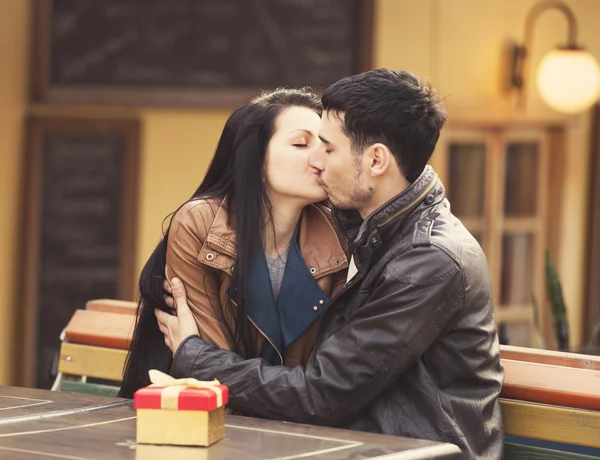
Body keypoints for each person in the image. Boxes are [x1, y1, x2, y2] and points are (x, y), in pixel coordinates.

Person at [156, 68, 505, 459]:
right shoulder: (375, 230)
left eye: (328, 148)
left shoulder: (428, 259)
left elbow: (320, 394)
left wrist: (193, 355)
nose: (318, 163)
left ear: (376, 160)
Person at [118, 88, 348, 398]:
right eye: (300, 143)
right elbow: (211, 376)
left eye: (324, 145)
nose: (319, 158)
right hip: (216, 422)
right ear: (254, 156)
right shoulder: (199, 223)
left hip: (298, 424)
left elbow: (324, 378)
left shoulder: (339, 234)